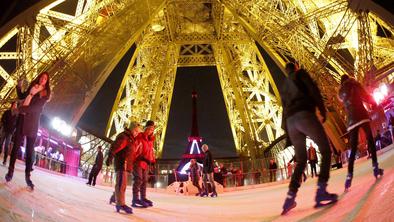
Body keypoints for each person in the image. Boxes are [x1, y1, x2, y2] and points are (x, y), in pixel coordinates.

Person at [280, 63, 337, 215]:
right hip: (304, 114)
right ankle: (321, 190)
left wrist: (287, 132)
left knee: (301, 160)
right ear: (296, 67)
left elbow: (283, 109)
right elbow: (313, 89)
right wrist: (322, 109)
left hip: (291, 122)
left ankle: (290, 197)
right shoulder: (300, 74)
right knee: (326, 150)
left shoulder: (284, 85)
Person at [5, 72, 51, 190]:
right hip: (22, 120)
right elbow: (22, 97)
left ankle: (27, 177)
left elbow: (34, 108)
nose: (42, 80)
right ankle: (10, 172)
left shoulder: (44, 93)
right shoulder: (32, 87)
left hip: (32, 124)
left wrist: (18, 109)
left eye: (45, 79)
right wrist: (19, 87)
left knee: (29, 152)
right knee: (15, 149)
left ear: (47, 82)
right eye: (41, 77)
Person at [338, 74, 384, 191]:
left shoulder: (341, 92)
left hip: (351, 120)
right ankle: (375, 167)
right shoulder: (354, 85)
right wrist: (373, 103)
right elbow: (365, 96)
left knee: (353, 149)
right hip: (361, 115)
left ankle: (349, 176)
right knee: (370, 140)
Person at [106, 122, 141, 214]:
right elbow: (115, 147)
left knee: (122, 184)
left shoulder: (131, 139)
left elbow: (131, 153)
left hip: (127, 164)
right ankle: (121, 204)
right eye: (136, 131)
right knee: (121, 184)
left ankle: (115, 198)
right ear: (131, 129)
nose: (137, 133)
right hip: (122, 163)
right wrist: (110, 157)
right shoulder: (124, 137)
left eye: (138, 132)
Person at [132, 120, 156, 208]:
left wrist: (153, 161)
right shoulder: (140, 136)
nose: (151, 131)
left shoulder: (150, 140)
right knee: (138, 179)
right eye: (149, 129)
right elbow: (134, 148)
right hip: (138, 161)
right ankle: (135, 199)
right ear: (146, 128)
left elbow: (150, 152)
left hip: (146, 163)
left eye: (152, 129)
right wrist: (138, 157)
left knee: (144, 181)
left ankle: (143, 198)